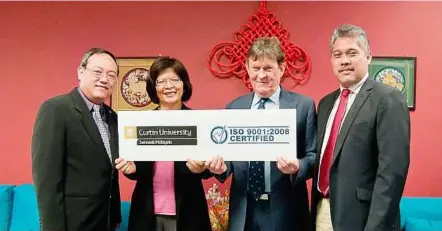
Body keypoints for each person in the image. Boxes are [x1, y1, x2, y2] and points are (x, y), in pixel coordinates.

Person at [206, 36, 317, 231]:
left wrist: (297, 166)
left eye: (268, 68)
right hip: (244, 210)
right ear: (248, 69)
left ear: (281, 69)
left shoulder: (303, 106)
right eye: (256, 68)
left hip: (286, 211)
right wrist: (221, 168)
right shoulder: (234, 108)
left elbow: (314, 156)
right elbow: (229, 160)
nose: (261, 75)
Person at [311, 24, 410, 231]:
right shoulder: (326, 103)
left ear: (368, 57)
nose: (344, 60)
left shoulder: (388, 99)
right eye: (337, 54)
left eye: (352, 53)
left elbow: (391, 174)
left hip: (363, 220)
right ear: (332, 61)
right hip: (323, 214)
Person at [114, 56, 212, 231]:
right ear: (154, 87)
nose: (169, 86)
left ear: (184, 84)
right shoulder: (141, 122)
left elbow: (209, 168)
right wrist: (132, 170)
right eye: (161, 82)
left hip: (189, 213)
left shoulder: (199, 121)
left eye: (175, 80)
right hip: (147, 213)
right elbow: (137, 168)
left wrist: (204, 167)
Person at [31, 48, 121, 231]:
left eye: (111, 75)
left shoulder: (113, 118)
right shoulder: (56, 110)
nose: (104, 79)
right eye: (98, 72)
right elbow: (46, 179)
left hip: (106, 222)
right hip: (72, 223)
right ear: (81, 72)